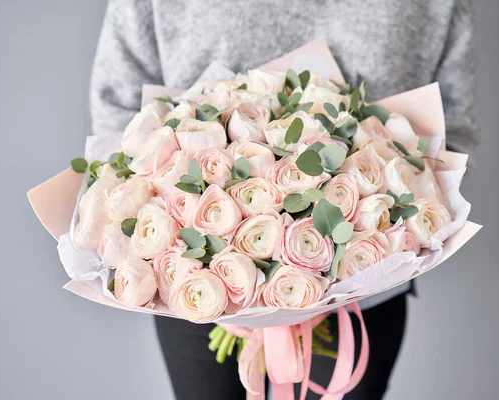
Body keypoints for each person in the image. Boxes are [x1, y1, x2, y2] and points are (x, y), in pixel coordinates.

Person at [90, 1, 477, 398]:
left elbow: (450, 133)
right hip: (189, 278)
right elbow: (119, 106)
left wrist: (350, 253)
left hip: (369, 281)